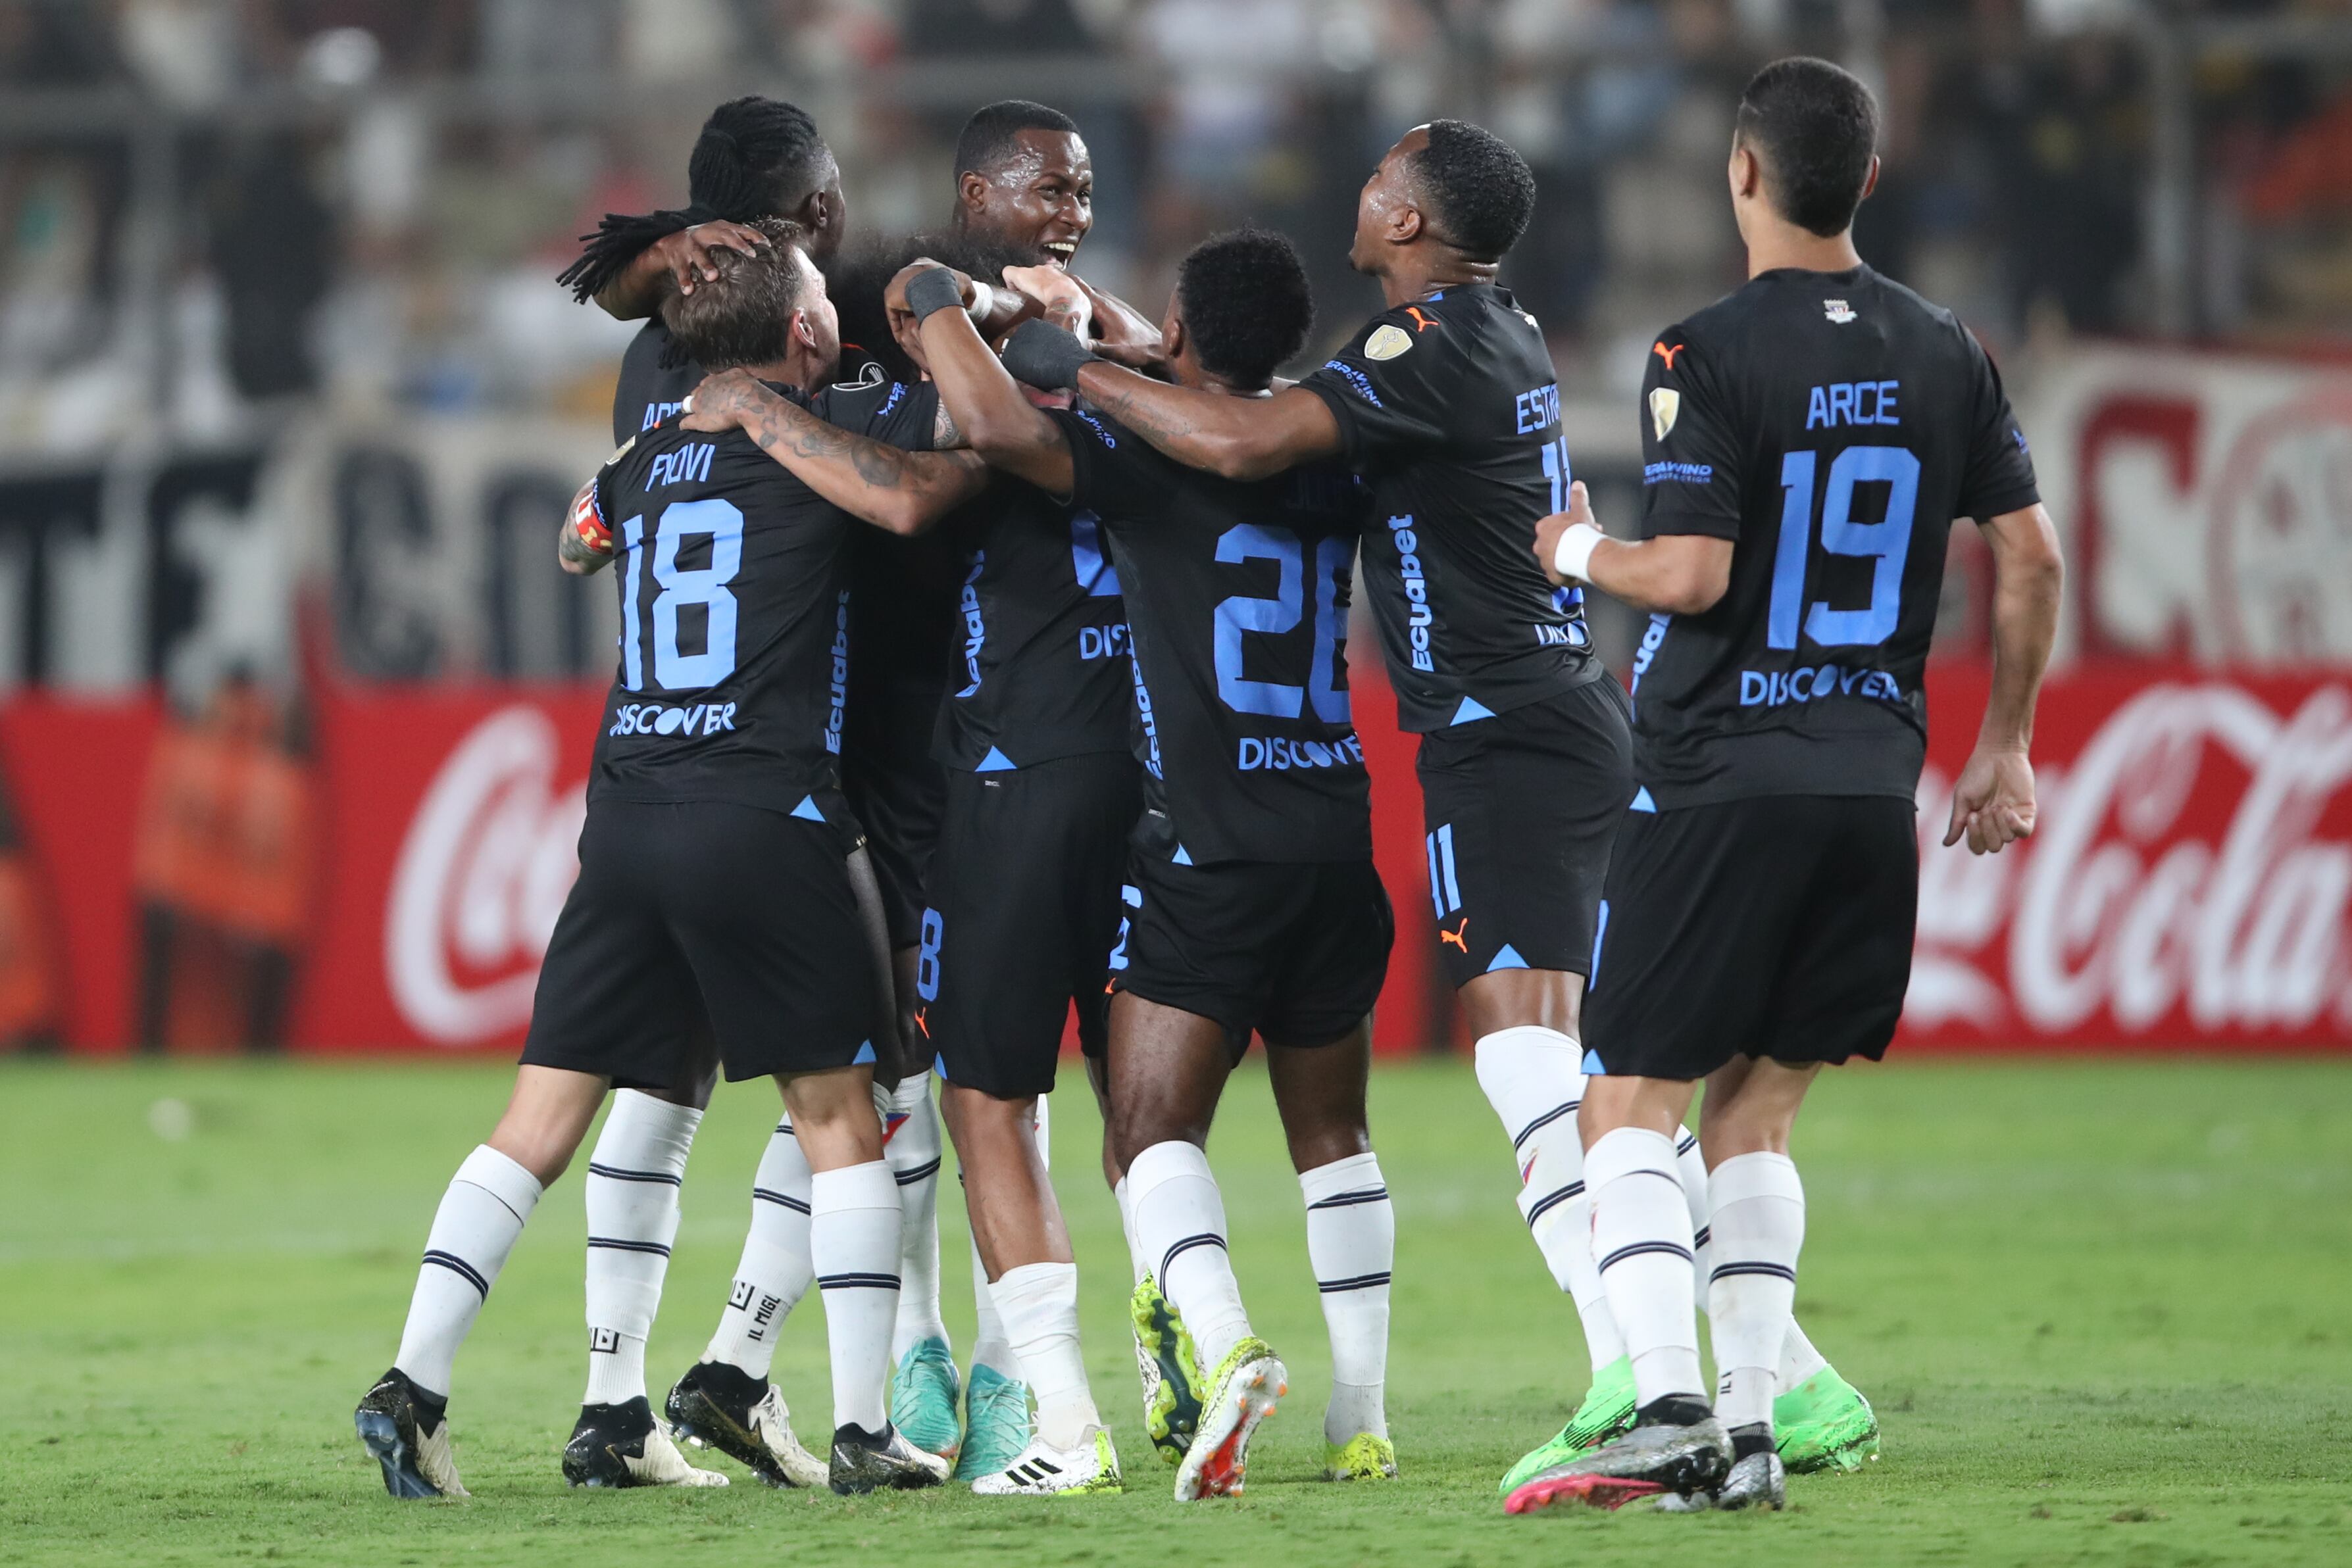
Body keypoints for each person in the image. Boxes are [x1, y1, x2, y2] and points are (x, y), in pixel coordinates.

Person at [1505, 58, 2062, 1513]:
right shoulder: (1949, 348)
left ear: (1741, 172)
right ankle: (1752, 1432)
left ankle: (1668, 1406)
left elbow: (1694, 575)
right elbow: (2032, 557)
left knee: (1626, 1104)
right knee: (1755, 1116)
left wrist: (1573, 550)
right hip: (1869, 787)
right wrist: (2004, 742)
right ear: (1865, 179)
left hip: (1714, 781)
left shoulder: (1700, 351)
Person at [355, 225, 975, 1502]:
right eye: (821, 299)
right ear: (804, 331)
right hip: (765, 813)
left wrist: (683, 430)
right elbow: (936, 474)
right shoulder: (823, 435)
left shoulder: (641, 458)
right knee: (842, 1116)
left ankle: (412, 1384)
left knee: (537, 1119)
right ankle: (866, 1429)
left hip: (627, 814)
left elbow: (577, 542)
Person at [914, 226, 1408, 1499]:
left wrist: (935, 307)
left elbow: (997, 425)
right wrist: (1107, 326)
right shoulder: (1333, 443)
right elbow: (1202, 381)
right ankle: (1360, 1420)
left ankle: (1226, 1342)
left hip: (1210, 843)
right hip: (1336, 827)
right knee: (1335, 1132)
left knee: (1146, 1134)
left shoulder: (1154, 463)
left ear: (1177, 334)